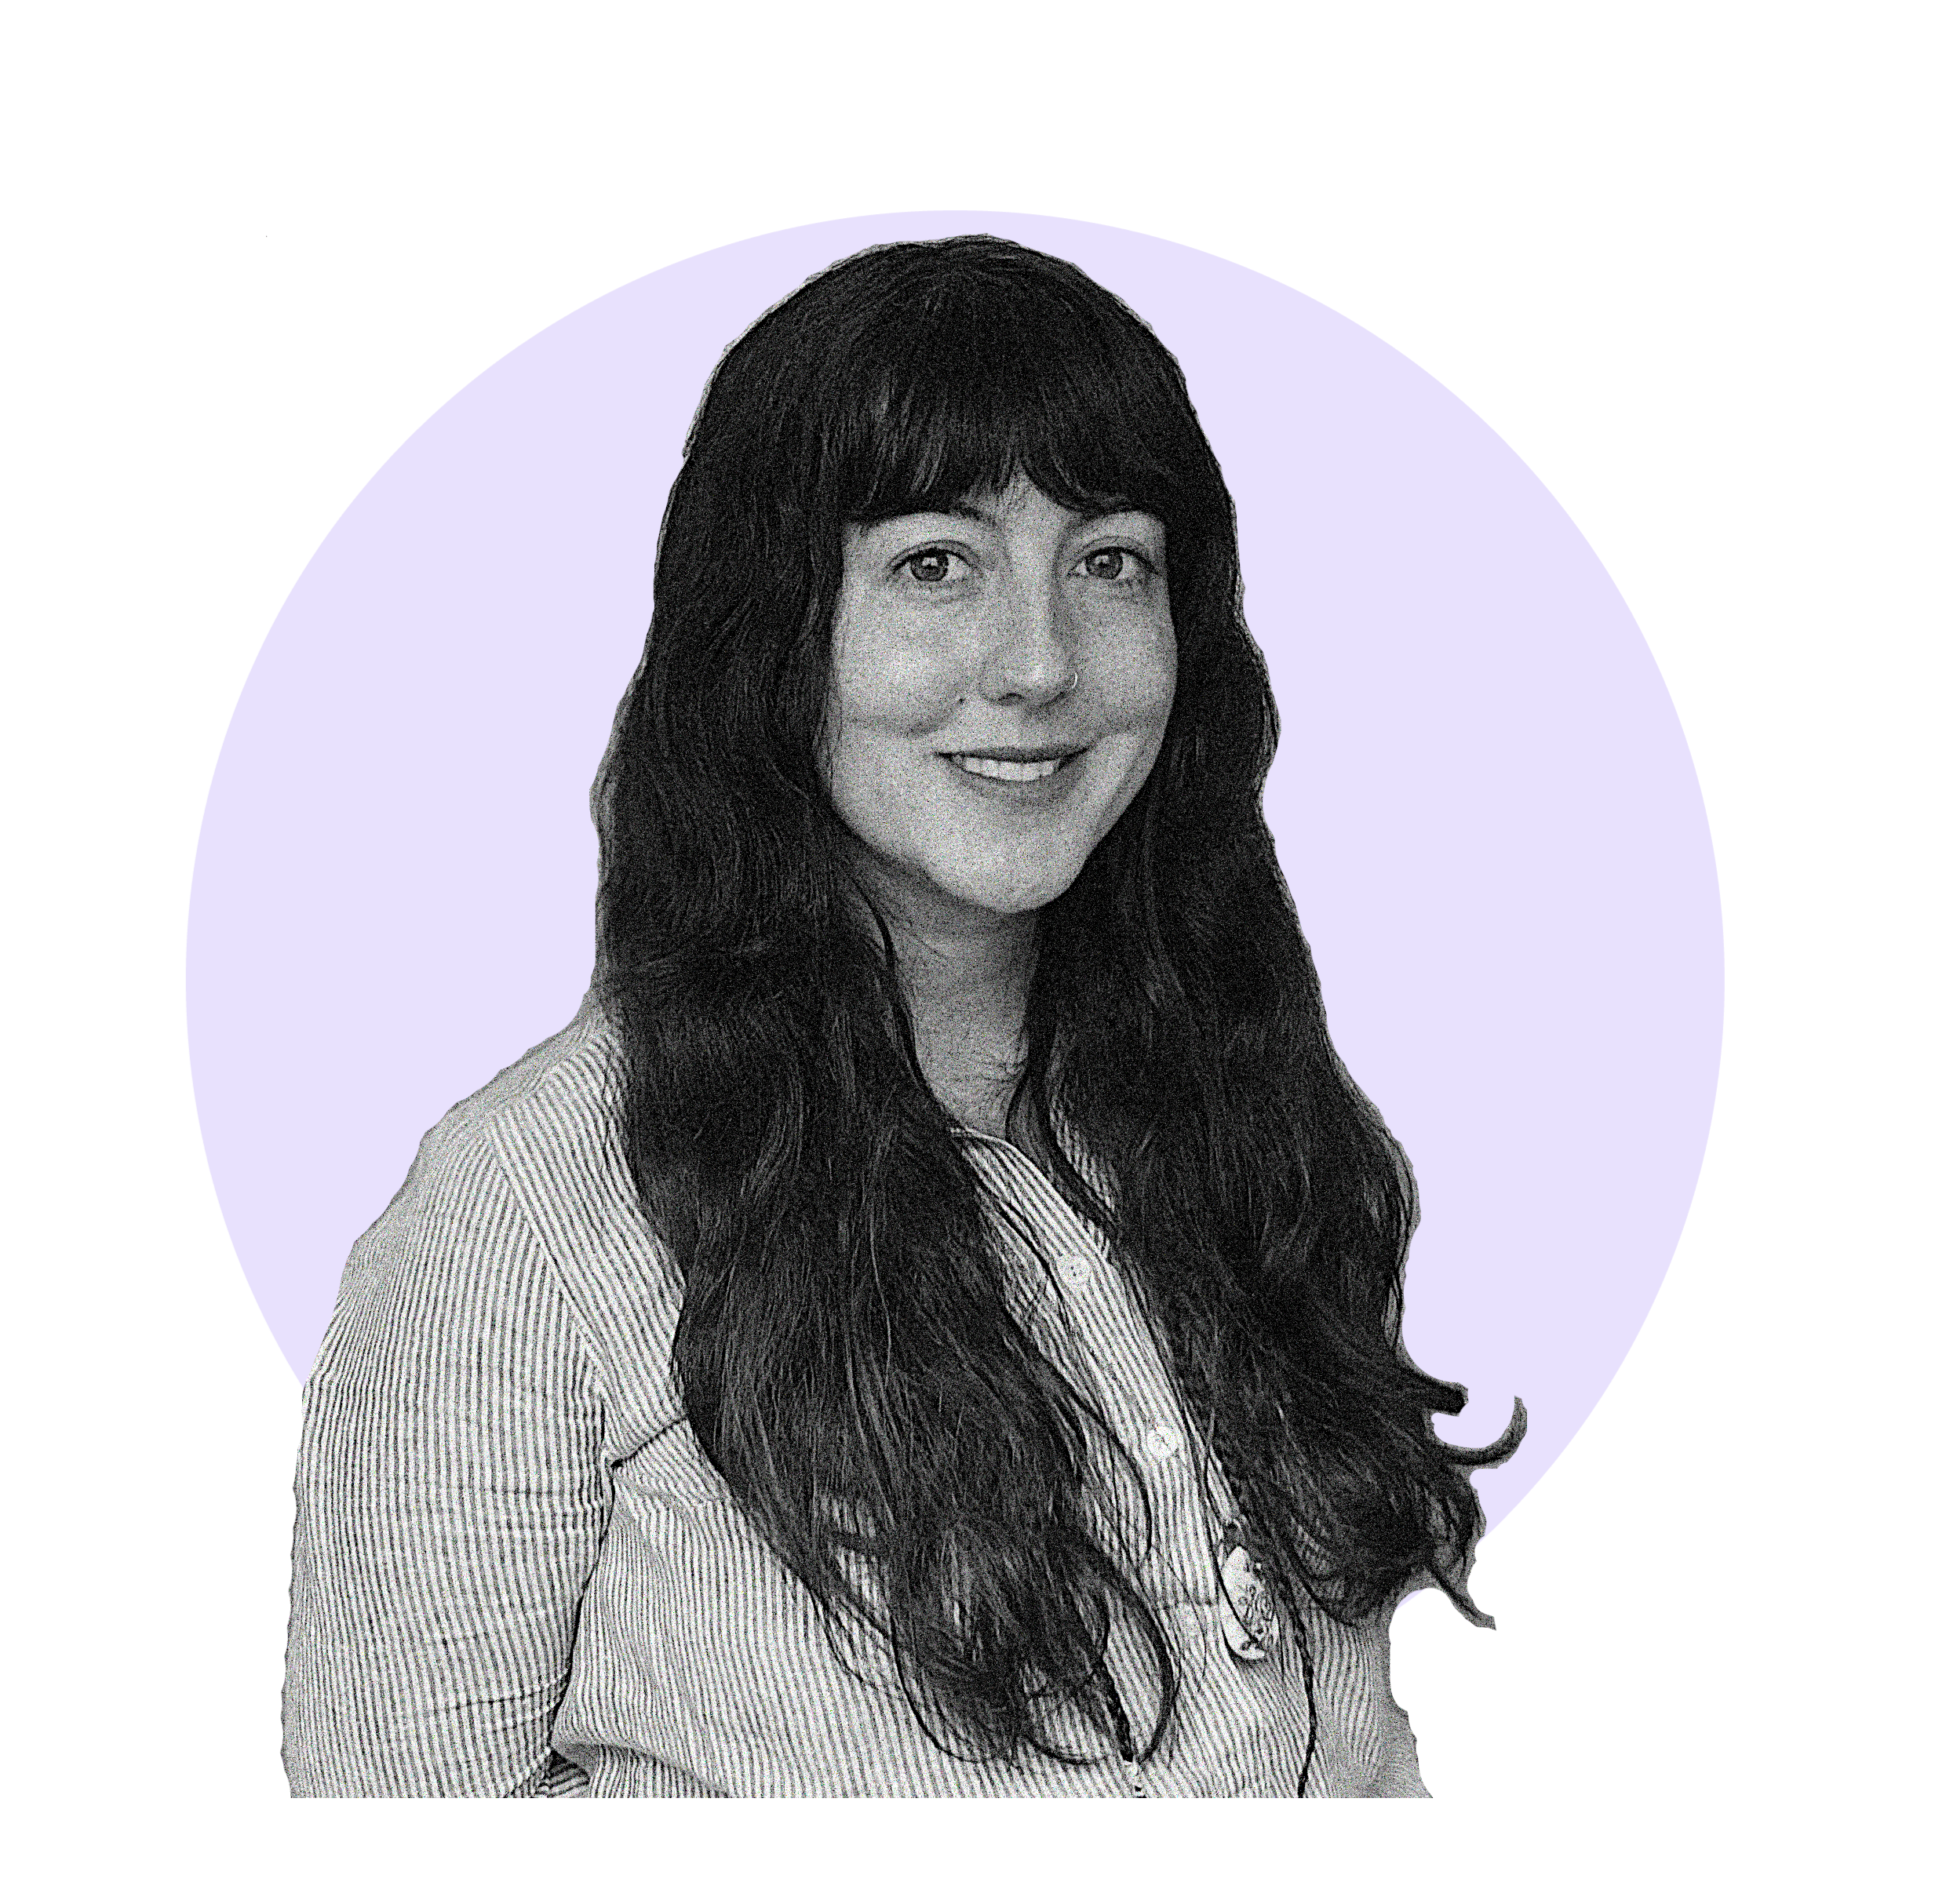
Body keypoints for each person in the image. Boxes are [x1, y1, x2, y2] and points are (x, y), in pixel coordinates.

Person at [281, 234, 1524, 1797]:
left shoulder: (1244, 1121)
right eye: (935, 561)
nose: (1037, 664)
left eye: (1110, 560)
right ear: (772, 634)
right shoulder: (524, 1216)